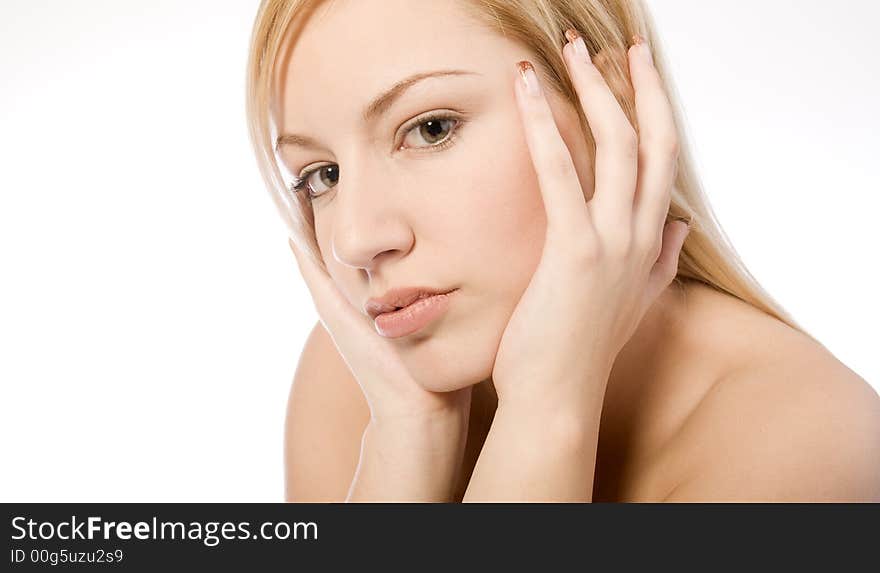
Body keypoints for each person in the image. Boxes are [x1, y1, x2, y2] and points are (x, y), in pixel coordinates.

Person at [245, 0, 880, 501]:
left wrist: (546, 404)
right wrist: (405, 446)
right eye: (321, 175)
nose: (357, 240)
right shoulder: (365, 376)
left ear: (611, 103)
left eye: (431, 128)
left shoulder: (808, 441)